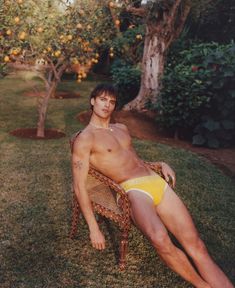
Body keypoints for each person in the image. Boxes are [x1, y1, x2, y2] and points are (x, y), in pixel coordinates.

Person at [71, 83, 233, 288]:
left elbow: (132, 160)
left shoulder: (121, 129)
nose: (107, 105)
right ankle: (202, 285)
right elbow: (79, 186)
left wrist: (159, 164)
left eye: (112, 101)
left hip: (155, 181)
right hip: (133, 190)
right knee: (161, 240)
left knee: (197, 246)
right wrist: (94, 228)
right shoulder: (85, 139)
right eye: (103, 99)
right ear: (93, 101)